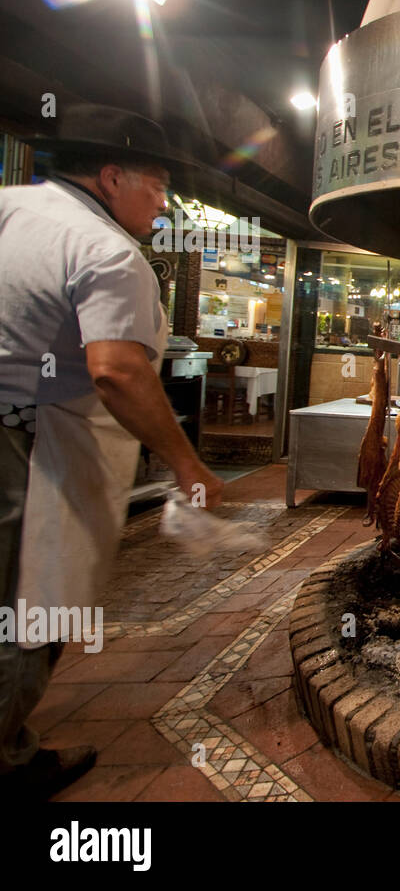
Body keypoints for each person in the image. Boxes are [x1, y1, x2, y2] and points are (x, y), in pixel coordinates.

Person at [0, 104, 223, 800]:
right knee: (33, 603)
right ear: (111, 176)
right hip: (28, 445)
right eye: (157, 189)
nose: (163, 207)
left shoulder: (9, 206)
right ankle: (5, 759)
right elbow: (117, 371)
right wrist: (186, 465)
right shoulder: (107, 251)